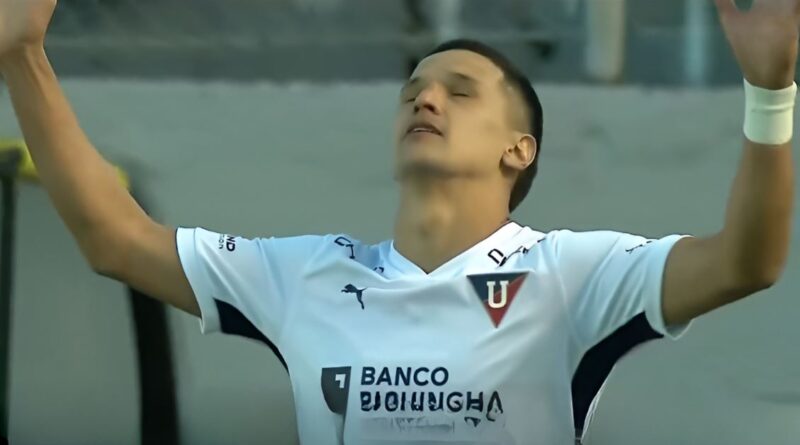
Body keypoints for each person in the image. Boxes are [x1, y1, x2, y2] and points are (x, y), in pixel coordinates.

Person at [0, 0, 796, 444]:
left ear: (520, 149)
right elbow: (116, 238)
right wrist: (22, 52)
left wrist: (770, 95)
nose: (425, 97)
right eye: (414, 85)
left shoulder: (574, 274)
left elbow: (745, 263)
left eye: (459, 89)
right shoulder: (306, 275)